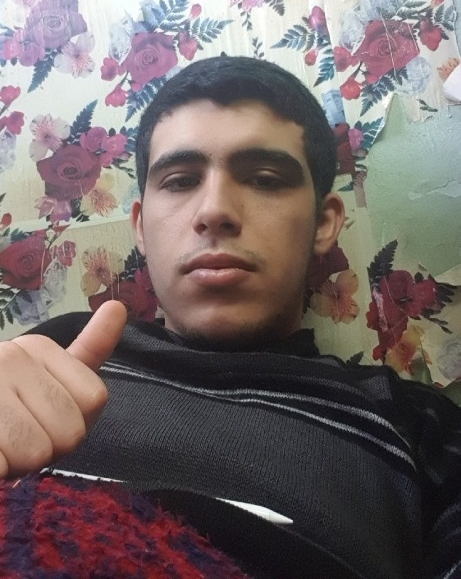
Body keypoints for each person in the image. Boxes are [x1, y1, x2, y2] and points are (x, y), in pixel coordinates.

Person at [0, 56, 460, 579]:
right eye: (180, 181)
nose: (214, 210)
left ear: (324, 223)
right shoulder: (54, 351)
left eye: (264, 179)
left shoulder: (417, 427)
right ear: (141, 227)